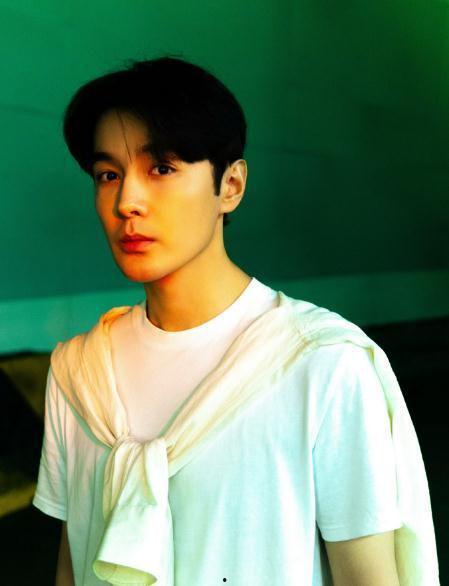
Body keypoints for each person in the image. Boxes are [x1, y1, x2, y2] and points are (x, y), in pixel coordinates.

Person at [32, 55, 439, 586]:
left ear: (231, 185)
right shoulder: (80, 374)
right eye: (108, 175)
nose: (127, 201)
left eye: (162, 168)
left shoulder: (321, 364)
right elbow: (73, 565)